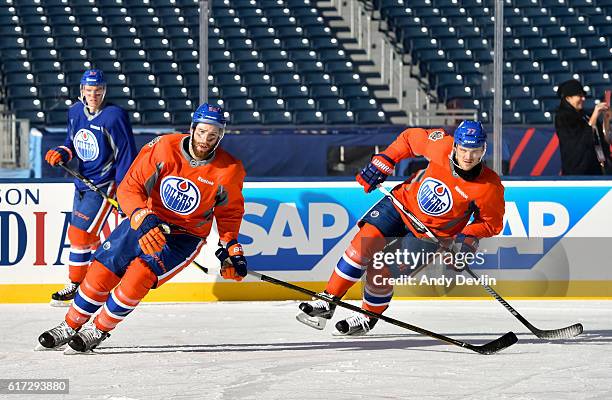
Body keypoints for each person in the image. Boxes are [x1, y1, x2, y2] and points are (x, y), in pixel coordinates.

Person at [37, 103, 247, 352]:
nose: (205, 140)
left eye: (213, 135)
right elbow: (130, 187)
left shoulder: (230, 170)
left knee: (139, 275)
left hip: (183, 236)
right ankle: (70, 325)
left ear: (220, 136)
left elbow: (229, 213)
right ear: (192, 128)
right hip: (147, 219)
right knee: (103, 268)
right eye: (202, 132)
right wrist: (141, 216)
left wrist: (230, 246)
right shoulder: (163, 147)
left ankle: (100, 329)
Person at [296, 121, 505, 335]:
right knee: (361, 246)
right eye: (463, 150)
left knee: (380, 271)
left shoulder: (490, 187)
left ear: (483, 150)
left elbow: (491, 224)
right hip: (400, 205)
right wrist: (386, 160)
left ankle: (368, 316)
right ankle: (328, 300)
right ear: (455, 146)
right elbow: (409, 137)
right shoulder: (440, 145)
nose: (468, 157)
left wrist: (467, 240)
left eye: (475, 151)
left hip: (430, 236)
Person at [44, 69, 137, 305]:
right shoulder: (75, 112)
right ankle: (99, 281)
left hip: (104, 185)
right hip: (82, 182)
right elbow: (71, 142)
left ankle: (76, 286)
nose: (93, 95)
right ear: (82, 91)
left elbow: (125, 155)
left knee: (79, 234)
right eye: (89, 90)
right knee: (89, 236)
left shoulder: (114, 116)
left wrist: (126, 192)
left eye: (98, 91)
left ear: (104, 91)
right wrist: (62, 153)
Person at [554, 79, 612, 175]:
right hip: (577, 172)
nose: (583, 98)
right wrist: (595, 114)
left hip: (596, 169)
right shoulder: (563, 117)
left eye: (583, 95)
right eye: (579, 96)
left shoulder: (586, 115)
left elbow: (599, 139)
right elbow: (581, 140)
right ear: (568, 98)